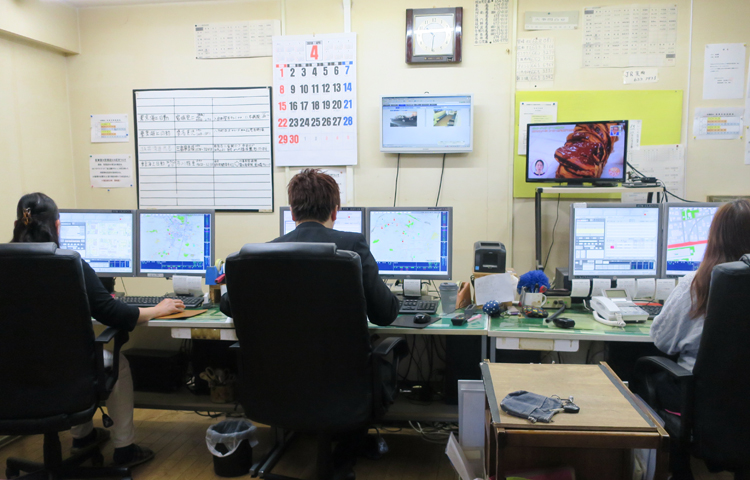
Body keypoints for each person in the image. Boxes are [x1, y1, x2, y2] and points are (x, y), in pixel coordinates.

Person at [10, 193, 185, 468]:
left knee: (65, 364)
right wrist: (157, 309)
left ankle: (82, 438)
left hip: (11, 369)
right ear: (57, 226)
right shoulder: (68, 263)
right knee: (116, 363)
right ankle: (124, 449)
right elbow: (114, 313)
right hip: (64, 365)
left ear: (18, 223)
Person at [221, 168, 399, 326]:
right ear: (335, 212)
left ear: (292, 213)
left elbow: (228, 305)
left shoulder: (264, 253)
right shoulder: (352, 246)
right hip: (339, 354)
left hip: (277, 354)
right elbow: (384, 314)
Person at [650, 199, 750, 413]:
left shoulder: (695, 284)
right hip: (742, 407)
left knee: (644, 380)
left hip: (699, 399)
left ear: (715, 237)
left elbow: (662, 340)